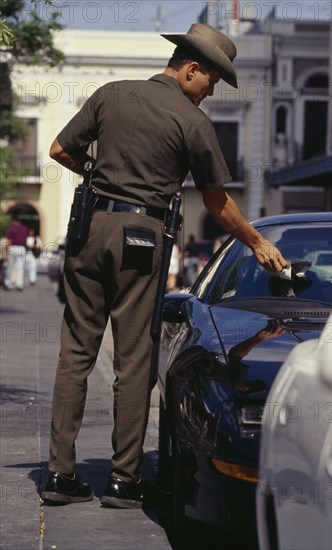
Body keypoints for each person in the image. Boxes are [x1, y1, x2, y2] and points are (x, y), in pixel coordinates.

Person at [41, 23, 287, 508]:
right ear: (192, 69)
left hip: (90, 231)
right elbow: (217, 203)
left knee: (75, 355)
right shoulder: (192, 122)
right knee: (133, 361)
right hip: (141, 238)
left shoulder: (111, 94)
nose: (211, 93)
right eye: (212, 82)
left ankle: (59, 475)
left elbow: (59, 151)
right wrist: (257, 242)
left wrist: (103, 177)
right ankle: (123, 479)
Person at [3, 216, 29, 291]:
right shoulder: (25, 229)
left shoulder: (11, 229)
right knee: (20, 267)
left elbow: (9, 241)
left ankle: (7, 283)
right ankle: (19, 284)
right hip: (22, 248)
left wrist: (7, 251)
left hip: (13, 247)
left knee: (10, 266)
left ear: (14, 221)